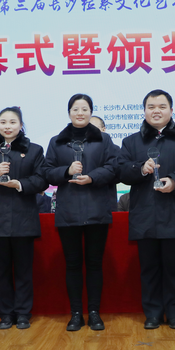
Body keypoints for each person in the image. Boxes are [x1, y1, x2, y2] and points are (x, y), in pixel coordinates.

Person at [119, 90, 175, 329]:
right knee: (149, 269)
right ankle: (153, 314)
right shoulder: (131, 141)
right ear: (144, 111)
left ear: (171, 110)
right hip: (145, 215)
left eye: (162, 106)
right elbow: (121, 170)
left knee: (174, 268)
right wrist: (140, 169)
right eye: (151, 106)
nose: (156, 111)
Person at [45, 94, 119, 332]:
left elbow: (113, 168)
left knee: (95, 264)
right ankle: (76, 313)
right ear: (69, 113)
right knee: (73, 264)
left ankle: (94, 312)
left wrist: (92, 177)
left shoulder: (104, 140)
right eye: (75, 109)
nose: (80, 113)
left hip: (97, 209)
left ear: (91, 112)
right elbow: (47, 172)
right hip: (68, 211)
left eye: (84, 109)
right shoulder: (57, 141)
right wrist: (66, 171)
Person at [0, 106, 48, 330]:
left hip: (24, 217)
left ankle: (23, 313)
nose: (7, 126)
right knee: (1, 271)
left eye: (12, 122)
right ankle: (5, 314)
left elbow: (42, 179)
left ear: (21, 125)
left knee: (24, 271)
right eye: (3, 122)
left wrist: (20, 184)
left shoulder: (34, 150)